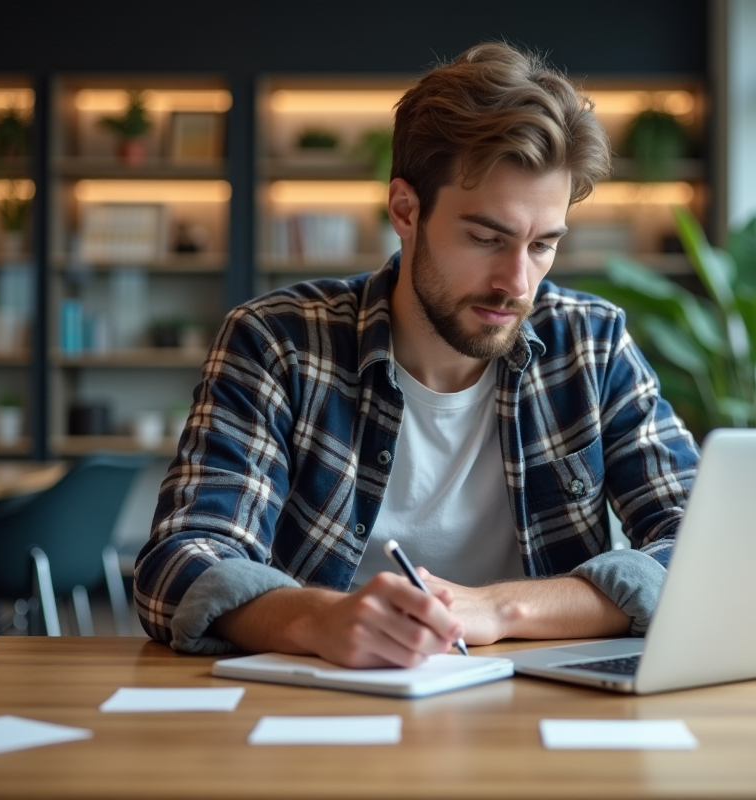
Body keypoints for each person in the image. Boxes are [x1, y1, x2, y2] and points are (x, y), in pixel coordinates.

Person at [134, 42, 700, 668]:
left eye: (543, 244)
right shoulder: (277, 343)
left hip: (541, 714)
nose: (517, 282)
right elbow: (179, 563)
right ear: (405, 210)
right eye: (487, 237)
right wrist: (318, 619)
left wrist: (499, 609)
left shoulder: (591, 345)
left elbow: (705, 550)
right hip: (322, 712)